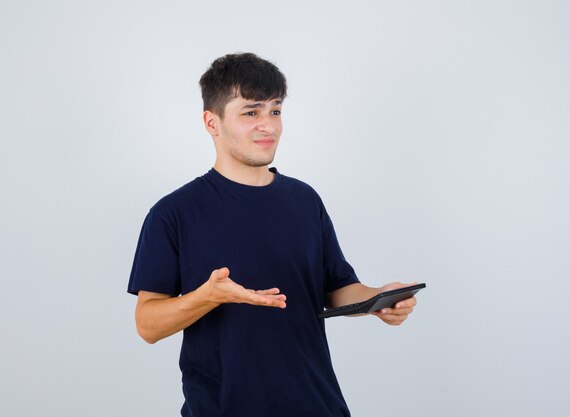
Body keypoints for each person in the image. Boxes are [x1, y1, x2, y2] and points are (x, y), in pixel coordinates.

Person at [128, 52, 418, 417]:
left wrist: (378, 298)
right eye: (251, 113)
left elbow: (338, 289)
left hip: (318, 406)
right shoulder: (173, 214)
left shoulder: (304, 200)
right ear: (211, 122)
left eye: (275, 111)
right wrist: (208, 296)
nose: (269, 125)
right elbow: (147, 325)